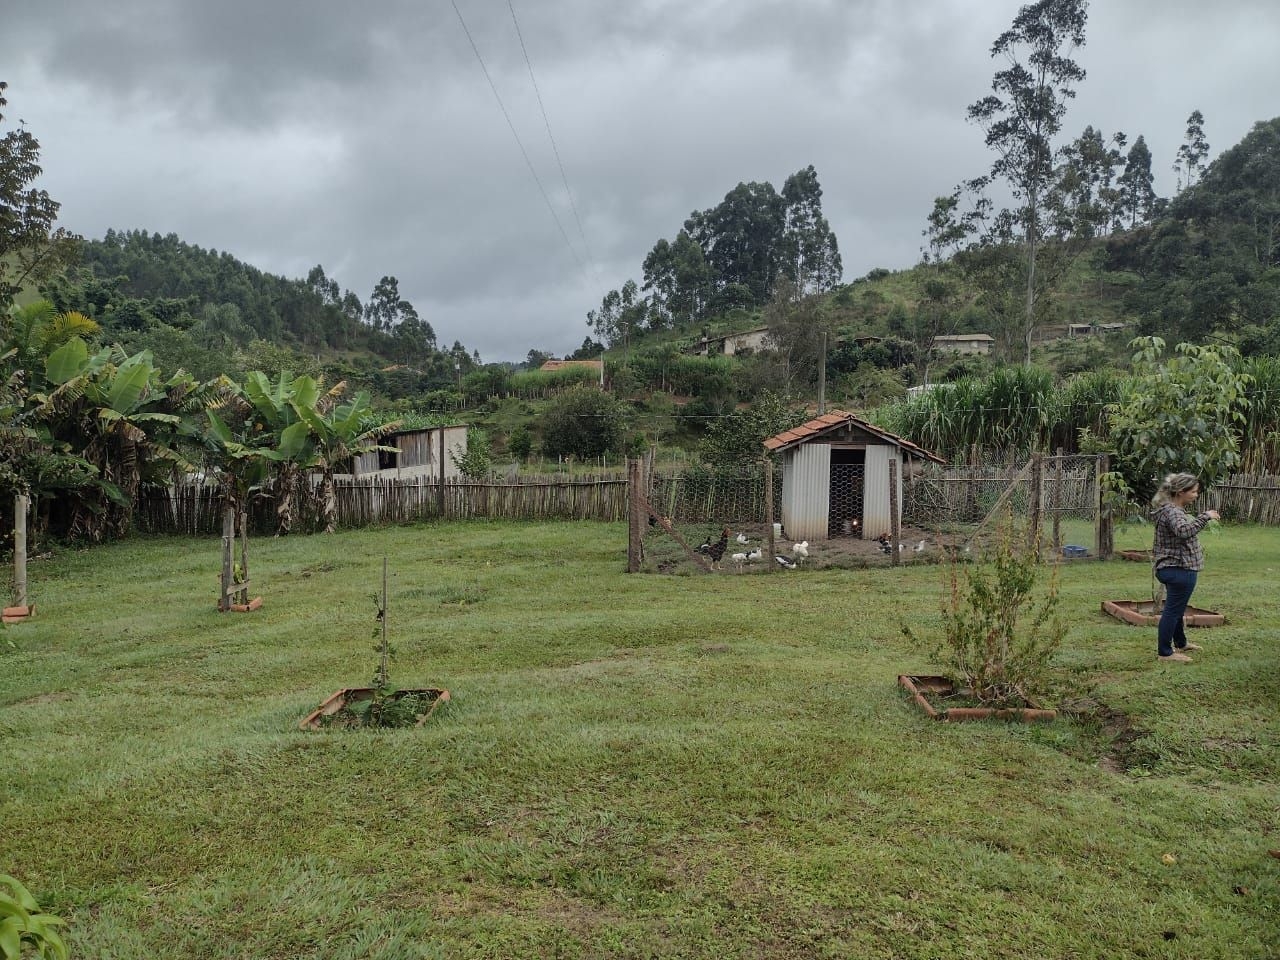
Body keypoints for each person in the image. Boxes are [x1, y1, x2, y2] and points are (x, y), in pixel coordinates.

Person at [1150, 473, 1219, 663]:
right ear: (1181, 492)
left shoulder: (1169, 509)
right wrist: (1206, 516)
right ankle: (1165, 653)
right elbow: (1183, 532)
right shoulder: (1173, 512)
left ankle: (1180, 643)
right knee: (1172, 612)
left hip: (1172, 567)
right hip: (1179, 568)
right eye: (1194, 491)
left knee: (1177, 609)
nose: (1196, 495)